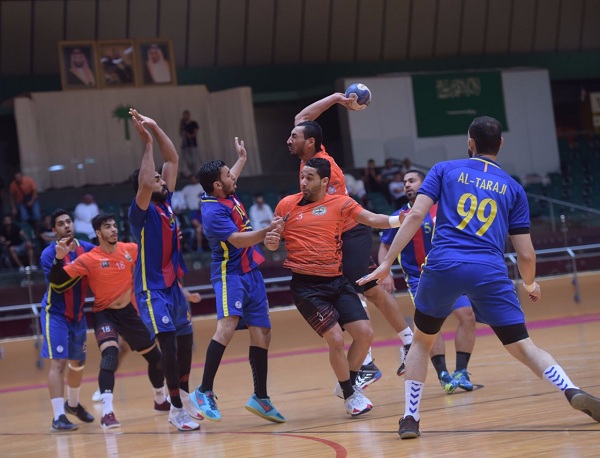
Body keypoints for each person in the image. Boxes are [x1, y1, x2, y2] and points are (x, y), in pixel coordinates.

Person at [358, 116, 600, 439]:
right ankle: (570, 389)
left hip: (443, 265)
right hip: (489, 270)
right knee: (523, 345)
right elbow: (526, 255)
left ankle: (410, 418)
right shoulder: (514, 188)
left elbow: (415, 215)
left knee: (422, 340)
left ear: (470, 143)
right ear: (501, 144)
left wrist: (386, 262)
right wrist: (530, 284)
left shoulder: (444, 170)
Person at [265, 157, 405, 417]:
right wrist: (271, 241)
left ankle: (345, 385)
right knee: (336, 339)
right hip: (307, 287)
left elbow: (372, 218)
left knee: (365, 334)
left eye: (309, 178)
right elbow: (272, 241)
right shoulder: (286, 205)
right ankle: (350, 395)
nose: (303, 182)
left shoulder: (340, 203)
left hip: (337, 281)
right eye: (302, 176)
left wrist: (399, 220)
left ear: (325, 181)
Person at [290, 95, 414, 387]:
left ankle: (369, 362)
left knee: (351, 290)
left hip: (347, 234)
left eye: (294, 137)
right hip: (342, 236)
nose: (289, 140)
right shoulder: (311, 157)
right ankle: (407, 342)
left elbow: (338, 210)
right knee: (371, 289)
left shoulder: (327, 171)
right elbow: (301, 117)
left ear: (309, 142)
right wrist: (336, 99)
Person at [190, 138, 286, 424]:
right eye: (228, 175)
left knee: (262, 333)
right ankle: (203, 391)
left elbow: (230, 176)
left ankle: (261, 398)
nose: (233, 177)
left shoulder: (223, 190)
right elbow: (238, 239)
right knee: (227, 327)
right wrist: (267, 230)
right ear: (217, 185)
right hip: (229, 274)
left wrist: (242, 158)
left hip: (251, 271)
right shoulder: (212, 211)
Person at [48, 213, 174, 429]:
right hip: (104, 314)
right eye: (108, 227)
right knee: (110, 356)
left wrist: (171, 236)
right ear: (98, 233)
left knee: (156, 359)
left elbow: (155, 253)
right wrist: (59, 258)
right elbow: (56, 280)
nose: (114, 230)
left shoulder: (129, 250)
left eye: (115, 226)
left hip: (128, 314)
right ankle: (107, 413)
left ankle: (160, 400)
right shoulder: (89, 259)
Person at [127, 108, 199, 432]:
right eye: (155, 178)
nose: (160, 178)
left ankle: (183, 393)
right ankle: (175, 408)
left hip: (172, 286)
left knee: (185, 341)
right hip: (151, 288)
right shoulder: (139, 212)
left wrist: (156, 128)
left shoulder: (165, 201)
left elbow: (172, 160)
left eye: (160, 177)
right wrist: (146, 145)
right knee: (168, 345)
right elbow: (146, 180)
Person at [378, 170, 476, 392]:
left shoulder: (443, 210)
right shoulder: (400, 216)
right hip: (419, 279)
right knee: (431, 325)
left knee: (468, 316)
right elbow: (384, 245)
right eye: (404, 182)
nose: (407, 185)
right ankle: (443, 374)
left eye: (412, 181)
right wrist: (386, 272)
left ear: (424, 184)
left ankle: (461, 372)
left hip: (450, 275)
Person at [39, 209, 96, 432]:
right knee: (59, 362)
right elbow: (58, 285)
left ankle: (72, 405)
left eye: (68, 221)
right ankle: (58, 417)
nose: (67, 226)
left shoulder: (86, 248)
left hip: (78, 315)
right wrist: (79, 268)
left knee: (78, 363)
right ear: (54, 230)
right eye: (61, 224)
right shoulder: (48, 254)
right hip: (56, 315)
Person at [179, 111, 201, 178]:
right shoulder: (183, 124)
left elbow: (195, 133)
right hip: (185, 145)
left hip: (193, 144)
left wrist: (189, 135)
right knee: (187, 160)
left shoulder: (193, 123)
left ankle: (196, 173)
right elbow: (180, 133)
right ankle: (190, 174)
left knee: (194, 159)